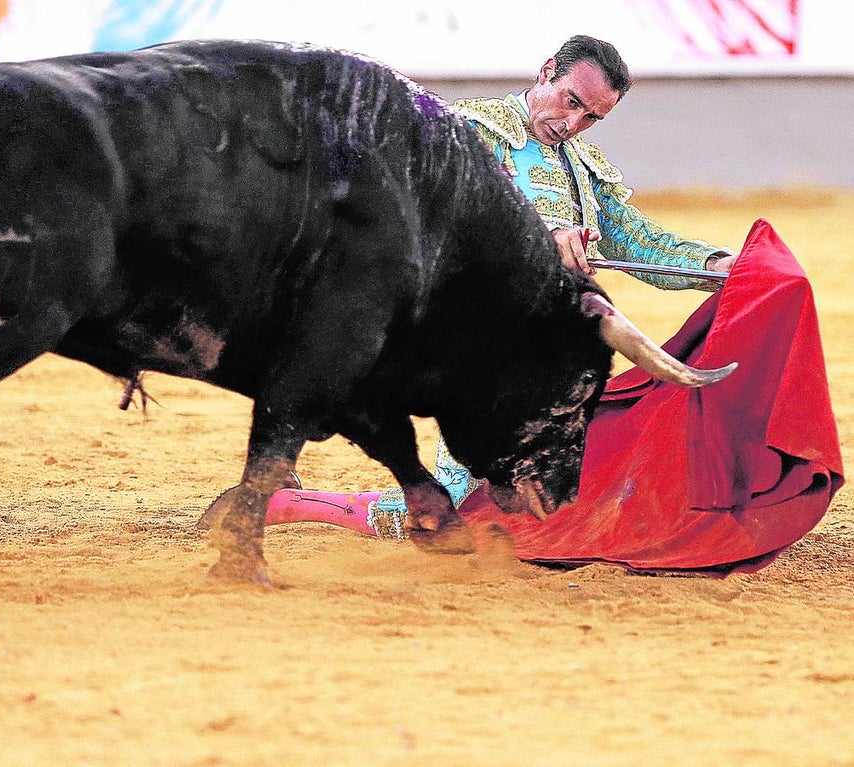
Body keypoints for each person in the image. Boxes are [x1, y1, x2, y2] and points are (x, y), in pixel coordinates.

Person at [263, 36, 845, 572]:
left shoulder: (584, 169)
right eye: (570, 102)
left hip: (542, 356)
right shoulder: (466, 133)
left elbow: (642, 244)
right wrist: (537, 239)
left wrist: (720, 269)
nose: (573, 123)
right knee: (462, 505)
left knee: (531, 487)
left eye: (591, 117)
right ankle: (295, 503)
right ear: (547, 72)